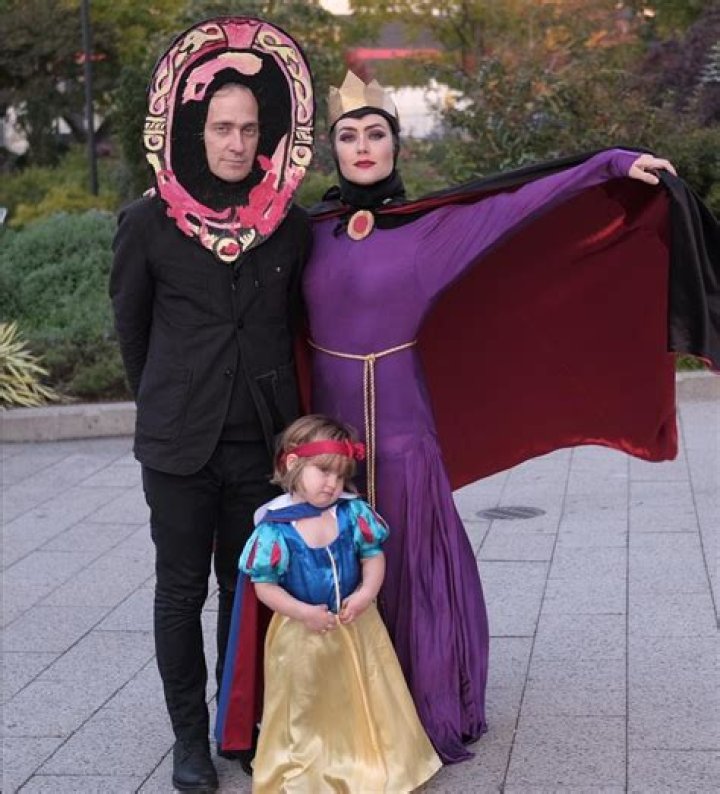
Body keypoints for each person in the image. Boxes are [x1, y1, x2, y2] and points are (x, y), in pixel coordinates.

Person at [298, 71, 719, 765]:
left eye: (376, 133)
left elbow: (523, 201)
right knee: (328, 564)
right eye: (348, 136)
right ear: (332, 150)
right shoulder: (306, 232)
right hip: (325, 435)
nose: (363, 146)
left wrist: (613, 164)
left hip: (403, 428)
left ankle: (421, 702)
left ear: (396, 146)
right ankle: (341, 705)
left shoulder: (431, 229)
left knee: (408, 562)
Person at [109, 17, 314, 793]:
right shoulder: (146, 223)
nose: (235, 142)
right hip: (178, 447)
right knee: (179, 591)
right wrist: (168, 402)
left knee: (246, 588)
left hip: (258, 444)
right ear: (196, 130)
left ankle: (240, 726)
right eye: (223, 128)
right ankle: (189, 741)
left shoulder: (289, 227)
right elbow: (132, 332)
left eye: (249, 129)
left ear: (266, 136)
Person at [236, 414, 441, 791]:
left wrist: (365, 594)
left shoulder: (351, 513)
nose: (332, 483)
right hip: (302, 635)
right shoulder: (276, 528)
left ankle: (376, 758)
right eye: (323, 471)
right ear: (293, 463)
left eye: (341, 475)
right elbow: (264, 587)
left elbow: (373, 556)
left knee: (368, 692)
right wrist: (303, 612)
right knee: (308, 703)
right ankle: (311, 770)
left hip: (356, 625)